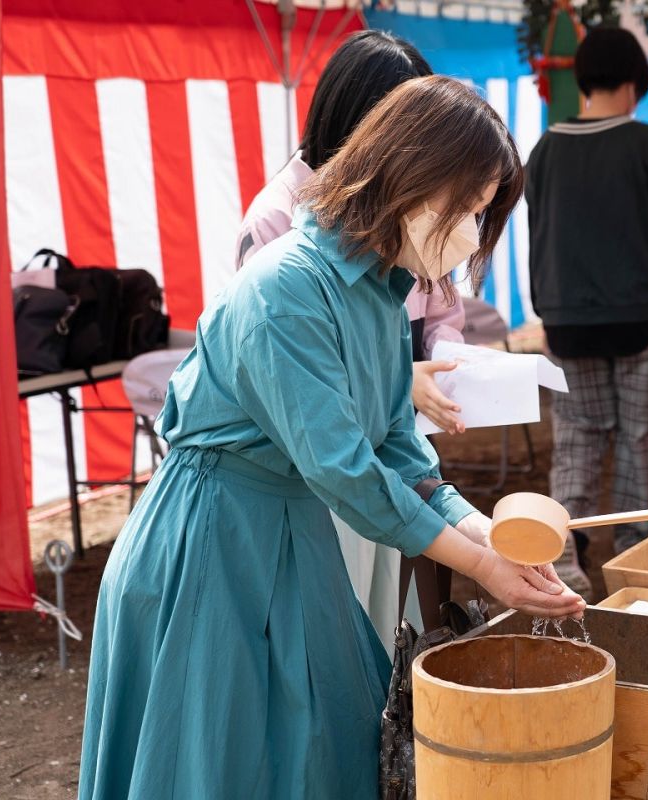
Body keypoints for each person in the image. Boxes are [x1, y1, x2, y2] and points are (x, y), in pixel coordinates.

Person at [79, 76, 585, 800]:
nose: (474, 230)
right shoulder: (284, 288)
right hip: (212, 544)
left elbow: (396, 449)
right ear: (413, 176)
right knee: (217, 758)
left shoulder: (379, 289)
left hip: (293, 536)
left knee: (325, 743)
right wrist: (479, 563)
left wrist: (488, 534)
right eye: (468, 206)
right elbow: (345, 469)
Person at [234, 30, 467, 649]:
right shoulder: (281, 244)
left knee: (377, 633)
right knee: (322, 643)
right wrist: (482, 556)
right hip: (302, 481)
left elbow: (398, 451)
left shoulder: (389, 238)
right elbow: (322, 435)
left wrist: (470, 527)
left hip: (365, 459)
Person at [526, 26, 648, 599]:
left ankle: (558, 558)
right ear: (631, 84)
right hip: (640, 320)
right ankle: (632, 550)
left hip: (566, 323)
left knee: (575, 438)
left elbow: (538, 237)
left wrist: (546, 308)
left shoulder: (545, 151)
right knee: (639, 437)